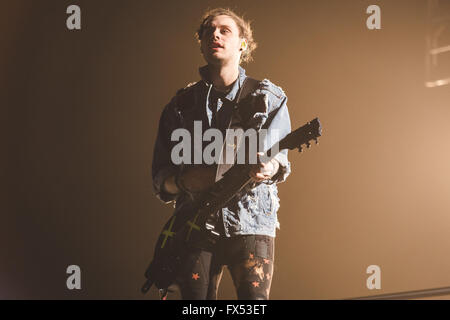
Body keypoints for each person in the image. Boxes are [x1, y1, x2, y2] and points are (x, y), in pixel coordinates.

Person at [151, 7, 291, 300]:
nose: (214, 34)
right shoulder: (179, 106)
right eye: (207, 31)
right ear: (201, 43)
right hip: (194, 224)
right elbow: (160, 178)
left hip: (251, 222)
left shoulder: (267, 98)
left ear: (243, 43)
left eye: (224, 30)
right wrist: (185, 182)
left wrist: (270, 167)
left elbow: (280, 161)